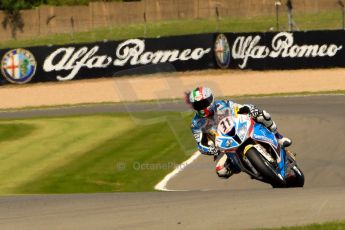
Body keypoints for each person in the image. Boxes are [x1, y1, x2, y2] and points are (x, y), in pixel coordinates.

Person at [185, 86, 292, 179]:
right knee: (221, 171)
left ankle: (279, 137)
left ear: (210, 100)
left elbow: (242, 107)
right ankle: (249, 168)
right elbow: (201, 144)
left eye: (203, 103)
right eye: (198, 105)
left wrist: (251, 110)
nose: (202, 108)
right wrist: (212, 150)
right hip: (225, 147)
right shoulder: (196, 124)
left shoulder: (223, 105)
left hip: (241, 130)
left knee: (263, 115)